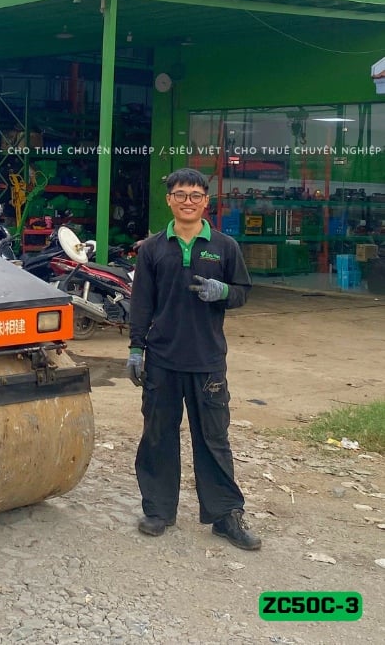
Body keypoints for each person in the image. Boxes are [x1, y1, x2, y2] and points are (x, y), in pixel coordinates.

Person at [126, 168, 260, 550]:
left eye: (195, 195)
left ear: (206, 201)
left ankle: (225, 516)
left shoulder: (224, 246)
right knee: (157, 436)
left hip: (207, 362)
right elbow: (141, 303)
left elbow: (242, 291)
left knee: (214, 439)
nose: (188, 201)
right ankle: (158, 510)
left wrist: (223, 291)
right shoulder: (153, 248)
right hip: (162, 360)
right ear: (169, 200)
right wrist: (136, 349)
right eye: (181, 194)